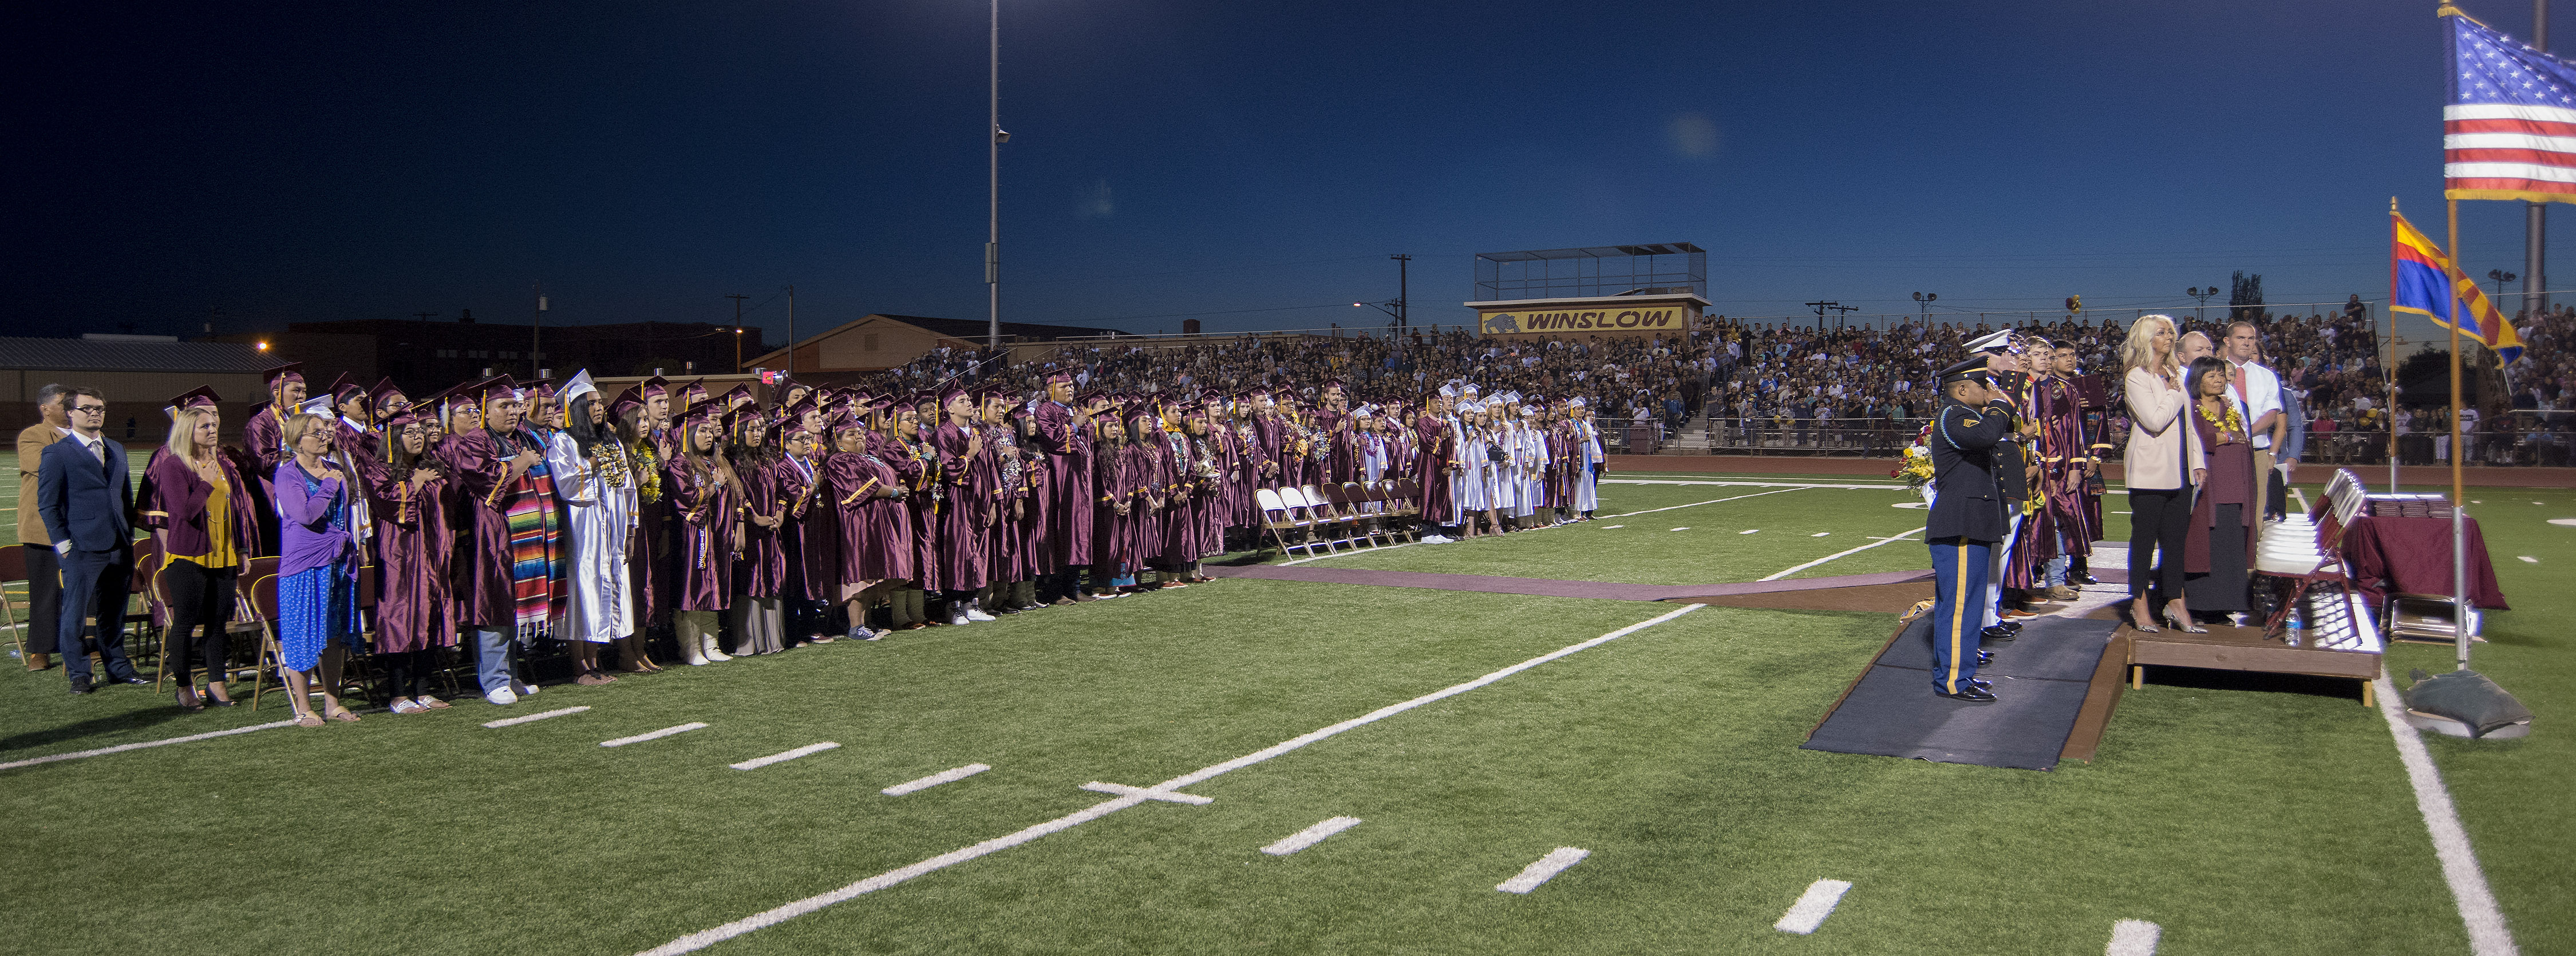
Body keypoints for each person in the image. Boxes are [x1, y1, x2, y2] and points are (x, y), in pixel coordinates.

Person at [140, 389, 257, 710]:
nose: (212, 430)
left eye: (214, 425)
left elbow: (236, 510)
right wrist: (205, 482)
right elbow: (184, 511)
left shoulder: (222, 463)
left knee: (219, 623)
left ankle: (217, 685)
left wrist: (243, 548)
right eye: (204, 426)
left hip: (225, 555)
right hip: (189, 556)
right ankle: (184, 686)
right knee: (187, 623)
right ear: (187, 431)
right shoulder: (174, 465)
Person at [448, 377, 557, 704]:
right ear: (485, 410)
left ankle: (510, 675)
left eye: (514, 405)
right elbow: (484, 482)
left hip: (529, 537)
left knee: (516, 602)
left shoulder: (524, 437)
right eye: (503, 406)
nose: (512, 412)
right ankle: (494, 679)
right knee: (495, 602)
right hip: (495, 534)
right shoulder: (476, 441)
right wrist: (520, 463)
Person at [37, 387, 146, 695]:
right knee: (74, 613)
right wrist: (63, 544)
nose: (95, 412)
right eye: (87, 408)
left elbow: (124, 498)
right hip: (81, 547)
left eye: (100, 408)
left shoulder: (116, 448)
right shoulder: (57, 452)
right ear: (70, 413)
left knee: (114, 611)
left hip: (119, 545)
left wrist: (129, 535)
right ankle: (79, 673)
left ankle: (118, 668)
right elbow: (47, 503)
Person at [1924, 358, 2014, 702]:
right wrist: (2001, 406)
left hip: (1971, 521)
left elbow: (2001, 429)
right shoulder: (1953, 414)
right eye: (1982, 385)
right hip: (1960, 523)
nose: (1989, 391)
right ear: (1962, 389)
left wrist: (2001, 405)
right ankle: (1952, 681)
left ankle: (1961, 674)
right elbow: (1986, 435)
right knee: (1960, 606)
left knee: (1970, 604)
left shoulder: (1969, 413)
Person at [272, 412, 367, 725]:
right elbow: (305, 514)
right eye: (318, 432)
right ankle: (303, 707)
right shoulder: (288, 474)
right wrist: (328, 486)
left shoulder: (335, 469)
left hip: (337, 561)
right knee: (302, 633)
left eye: (327, 431)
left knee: (335, 635)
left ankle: (332, 703)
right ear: (299, 439)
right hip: (304, 564)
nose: (326, 436)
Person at [548, 371, 641, 682]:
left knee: (606, 591)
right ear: (576, 408)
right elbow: (566, 483)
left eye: (601, 402)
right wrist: (592, 464)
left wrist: (631, 529)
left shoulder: (611, 441)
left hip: (613, 530)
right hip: (583, 531)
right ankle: (579, 666)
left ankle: (595, 662)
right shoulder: (564, 441)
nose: (600, 408)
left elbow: (628, 486)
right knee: (584, 592)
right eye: (592, 404)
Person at [372, 401, 457, 712]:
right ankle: (397, 693)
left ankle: (423, 688)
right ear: (393, 437)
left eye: (420, 431)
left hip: (432, 551)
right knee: (400, 616)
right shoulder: (378, 470)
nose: (418, 436)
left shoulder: (433, 466)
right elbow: (387, 506)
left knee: (430, 614)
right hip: (399, 554)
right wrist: (415, 483)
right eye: (409, 432)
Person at [2120, 316, 2204, 633]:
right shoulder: (2136, 377)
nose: (2169, 336)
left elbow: (2188, 425)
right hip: (2150, 470)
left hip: (2181, 471)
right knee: (2144, 541)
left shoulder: (2175, 374)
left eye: (2171, 331)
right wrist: (2172, 391)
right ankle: (2140, 603)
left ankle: (2175, 600)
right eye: (2161, 332)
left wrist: (2198, 462)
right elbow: (2155, 421)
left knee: (2175, 543)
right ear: (2145, 338)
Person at [665, 402, 741, 664]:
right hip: (693, 534)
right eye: (702, 431)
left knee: (714, 584)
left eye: (711, 431)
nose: (709, 436)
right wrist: (714, 486)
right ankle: (691, 648)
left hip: (716, 532)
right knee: (694, 586)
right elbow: (686, 498)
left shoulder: (715, 462)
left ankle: (711, 644)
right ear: (688, 433)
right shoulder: (680, 463)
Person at [2182, 356, 2254, 627]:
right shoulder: (2192, 408)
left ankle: (2223, 607)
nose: (2219, 380)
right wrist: (2226, 438)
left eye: (2221, 375)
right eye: (2211, 376)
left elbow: (2242, 437)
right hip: (2209, 490)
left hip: (2236, 487)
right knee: (2205, 547)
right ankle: (2199, 606)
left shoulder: (2230, 406)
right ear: (2197, 380)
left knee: (2230, 548)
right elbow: (2195, 441)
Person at [15, 382, 71, 673]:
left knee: (86, 587)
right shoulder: (32, 435)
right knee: (45, 590)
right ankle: (40, 649)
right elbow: (45, 467)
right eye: (64, 403)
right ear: (46, 408)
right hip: (41, 527)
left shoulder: (87, 434)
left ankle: (89, 643)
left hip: (78, 526)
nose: (70, 407)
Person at [2221, 322, 2285, 522]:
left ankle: (2252, 553)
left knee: (2256, 511)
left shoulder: (2267, 376)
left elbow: (2272, 413)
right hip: (2222, 449)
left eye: (2251, 338)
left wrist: (2245, 434)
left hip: (2256, 451)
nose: (2247, 343)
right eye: (2241, 338)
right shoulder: (2213, 374)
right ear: (2227, 341)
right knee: (2224, 508)